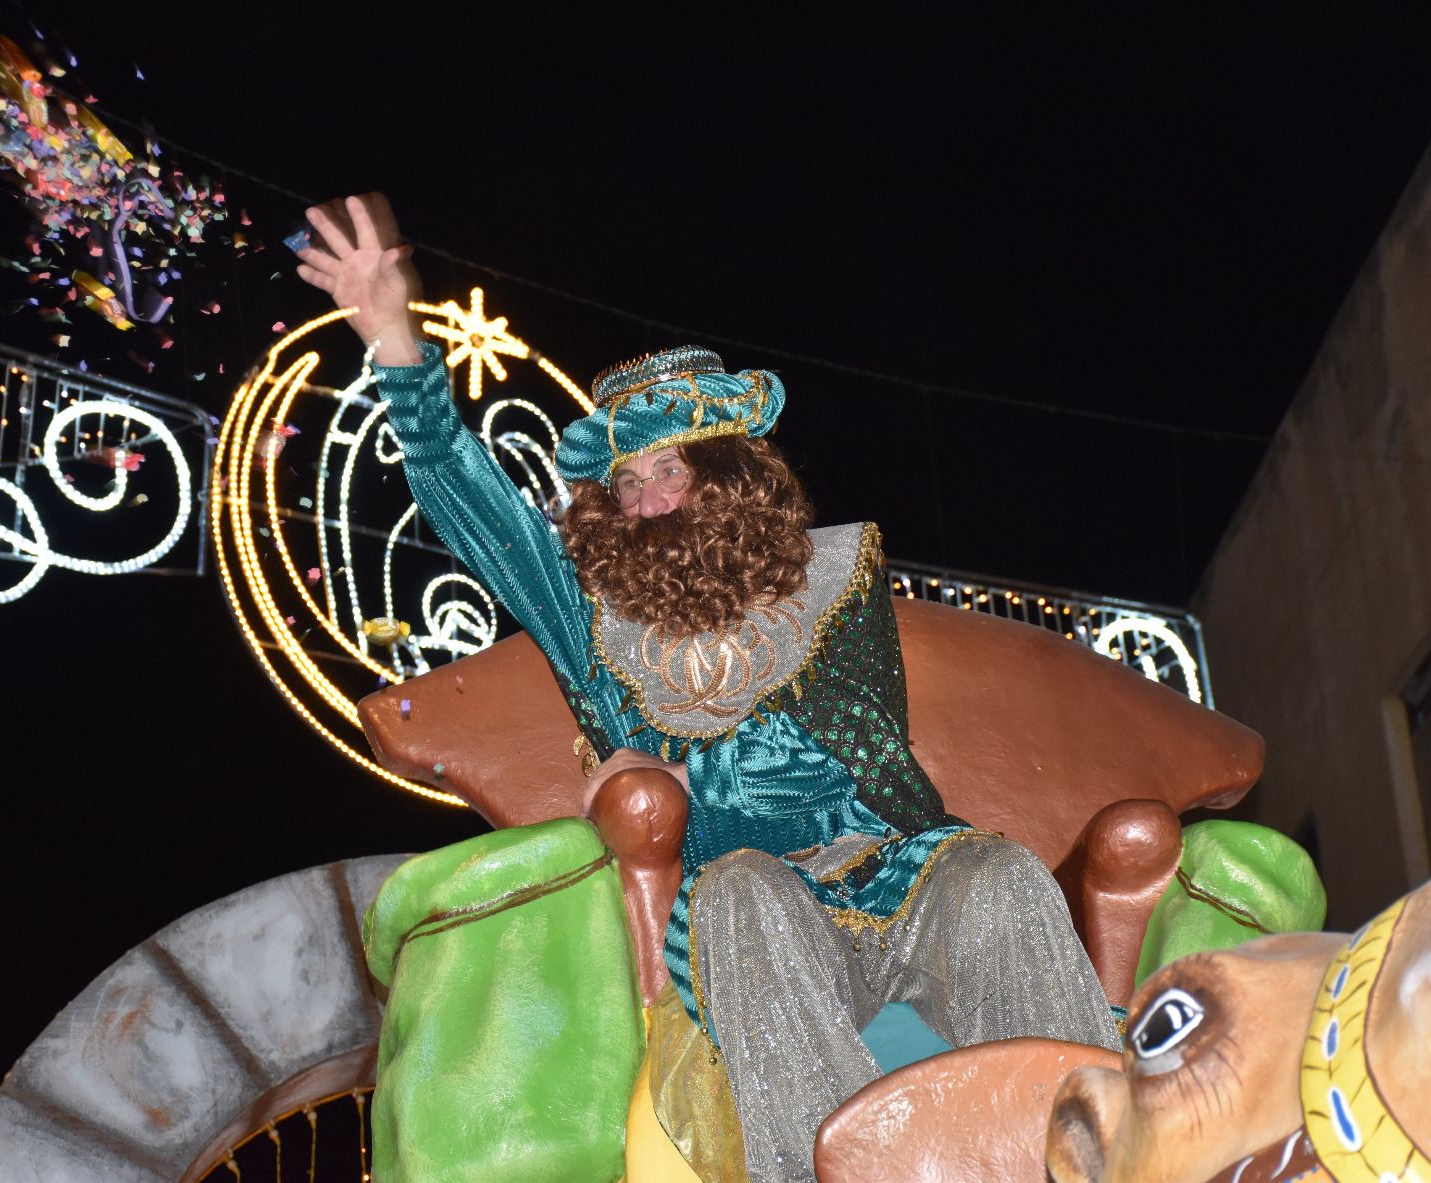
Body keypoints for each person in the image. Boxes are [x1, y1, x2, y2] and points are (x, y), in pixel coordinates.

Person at [298, 193, 1123, 1183]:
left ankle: (1107, 1159)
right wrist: (393, 339)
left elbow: (880, 749)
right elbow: (470, 503)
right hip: (747, 912)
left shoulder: (835, 575)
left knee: (996, 877)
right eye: (624, 484)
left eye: (666, 472)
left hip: (890, 872)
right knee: (741, 892)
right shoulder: (587, 608)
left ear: (727, 473)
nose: (643, 503)